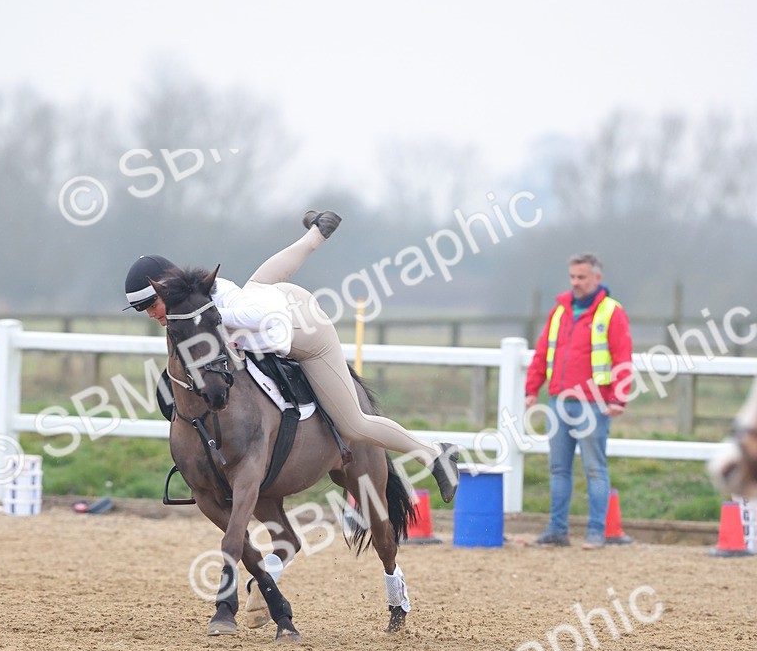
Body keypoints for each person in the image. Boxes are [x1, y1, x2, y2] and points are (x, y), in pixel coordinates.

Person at [123, 210, 460, 502]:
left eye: (150, 305)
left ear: (167, 290)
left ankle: (434, 454)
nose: (149, 314)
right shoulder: (199, 299)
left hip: (306, 332)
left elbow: (266, 323)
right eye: (142, 310)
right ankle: (317, 232)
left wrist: (217, 320)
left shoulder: (215, 308)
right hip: (275, 298)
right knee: (257, 282)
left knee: (354, 424)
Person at [524, 253, 632, 549]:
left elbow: (622, 356)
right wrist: (532, 389)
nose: (575, 282)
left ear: (597, 278)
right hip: (559, 401)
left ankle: (596, 532)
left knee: (595, 469)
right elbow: (543, 352)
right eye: (572, 276)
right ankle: (557, 530)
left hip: (594, 404)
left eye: (581, 277)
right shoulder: (559, 311)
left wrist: (618, 398)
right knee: (558, 469)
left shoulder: (611, 312)